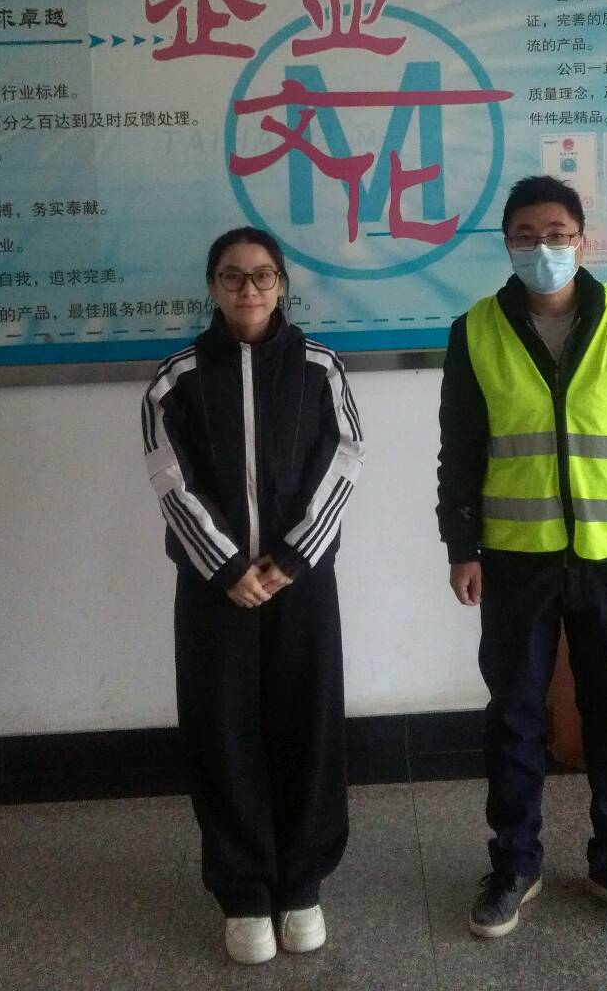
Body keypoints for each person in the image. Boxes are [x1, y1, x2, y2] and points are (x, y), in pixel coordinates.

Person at [436, 175, 607, 940]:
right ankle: (514, 862)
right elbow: (460, 450)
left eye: (556, 233)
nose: (542, 247)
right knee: (514, 717)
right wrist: (461, 547)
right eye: (526, 235)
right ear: (506, 243)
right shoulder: (475, 330)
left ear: (583, 239)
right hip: (516, 559)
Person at [141, 226, 364, 965]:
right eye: (232, 276)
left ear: (282, 285)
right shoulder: (174, 379)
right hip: (215, 591)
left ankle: (302, 885)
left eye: (263, 275)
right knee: (223, 732)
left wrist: (293, 557)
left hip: (303, 584)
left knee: (310, 726)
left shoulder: (320, 367)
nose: (249, 289)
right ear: (212, 286)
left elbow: (345, 460)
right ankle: (242, 893)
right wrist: (227, 565)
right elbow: (169, 477)